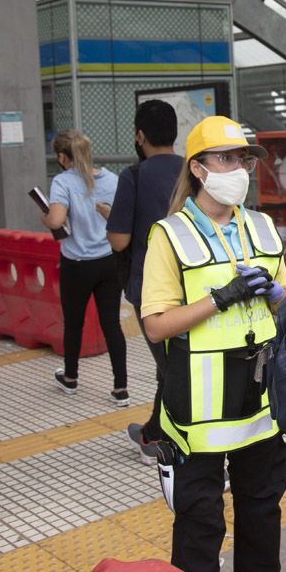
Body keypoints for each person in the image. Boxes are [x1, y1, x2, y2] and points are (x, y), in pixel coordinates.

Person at [139, 116, 286, 572]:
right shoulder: (169, 234)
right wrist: (218, 299)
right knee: (200, 525)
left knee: (262, 515)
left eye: (244, 159)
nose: (241, 168)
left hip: (258, 403)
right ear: (199, 169)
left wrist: (275, 294)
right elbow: (155, 324)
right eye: (227, 159)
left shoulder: (263, 226)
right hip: (198, 411)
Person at [106, 100, 185, 465]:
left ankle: (166, 443)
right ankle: (155, 428)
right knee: (171, 362)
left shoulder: (133, 177)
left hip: (151, 288)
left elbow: (119, 241)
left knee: (171, 367)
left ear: (139, 135)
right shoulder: (193, 169)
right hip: (194, 283)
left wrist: (115, 217)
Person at [42, 130, 129, 405]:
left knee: (74, 323)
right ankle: (120, 389)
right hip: (108, 261)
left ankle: (70, 378)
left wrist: (44, 217)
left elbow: (56, 220)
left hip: (77, 263)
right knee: (111, 324)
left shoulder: (63, 181)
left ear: (61, 157)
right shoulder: (112, 180)